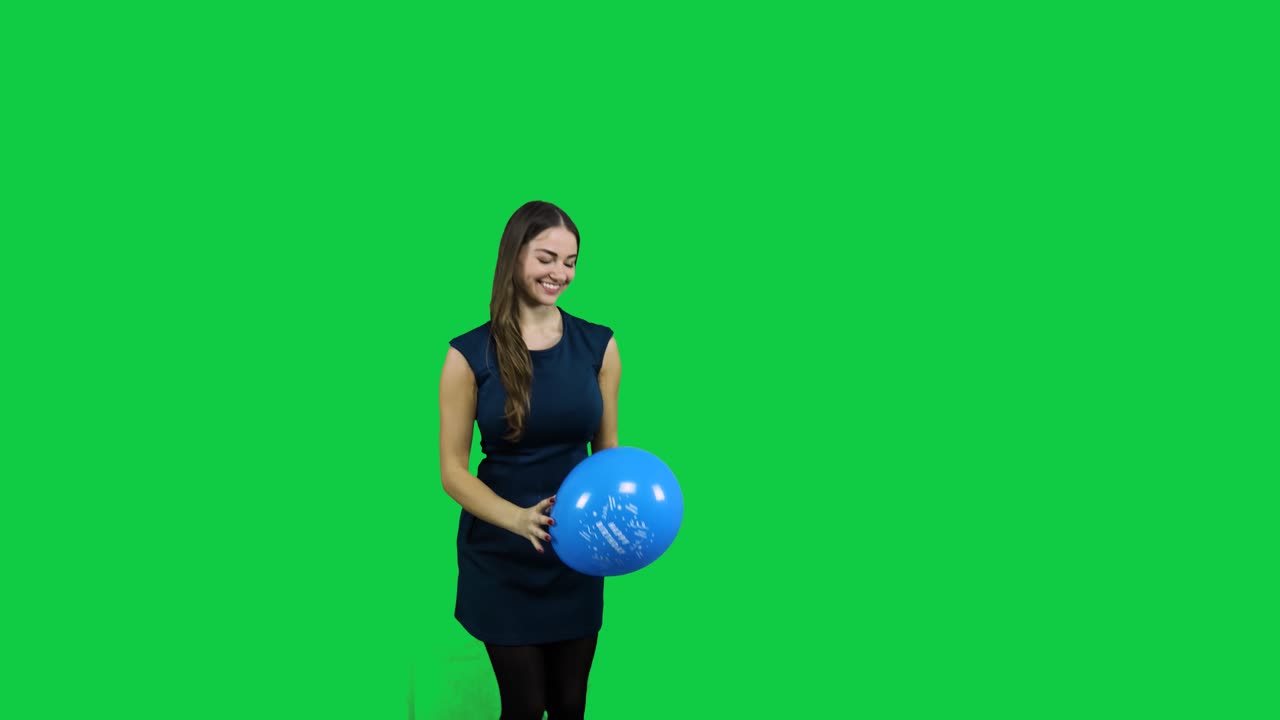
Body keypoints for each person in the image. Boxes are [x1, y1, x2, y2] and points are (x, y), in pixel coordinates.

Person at [438, 201, 621, 720]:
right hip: (501, 553)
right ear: (515, 255)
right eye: (547, 257)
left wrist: (620, 531)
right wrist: (519, 520)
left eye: (571, 261)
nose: (559, 273)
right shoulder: (467, 355)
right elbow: (452, 470)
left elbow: (606, 453)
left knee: (569, 706)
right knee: (524, 707)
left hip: (575, 555)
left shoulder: (600, 346)